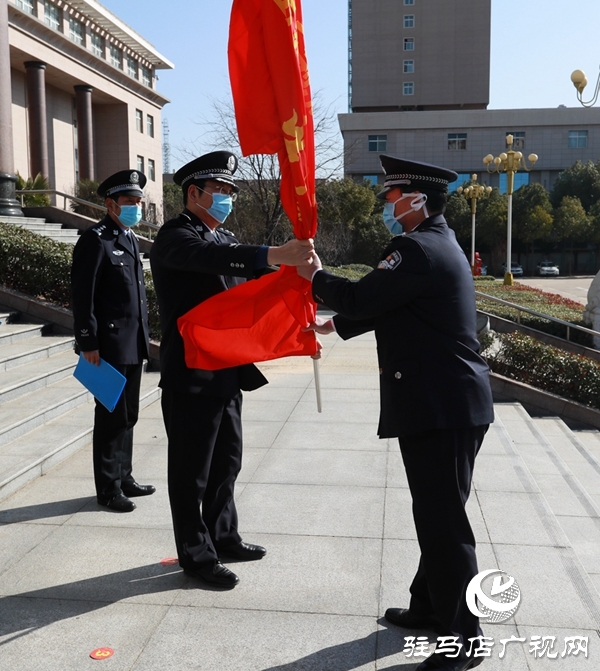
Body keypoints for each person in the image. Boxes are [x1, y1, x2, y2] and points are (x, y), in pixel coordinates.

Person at [299, 155, 494, 671]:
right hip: (448, 401)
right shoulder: (436, 243)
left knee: (444, 523)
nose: (387, 205)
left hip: (441, 405)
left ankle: (466, 639)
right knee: (435, 514)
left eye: (391, 197)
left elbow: (367, 296)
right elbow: (396, 305)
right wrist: (336, 327)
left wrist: (316, 278)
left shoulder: (417, 247)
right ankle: (432, 606)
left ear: (416, 200)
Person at [150, 151, 315, 589]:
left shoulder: (223, 239)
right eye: (219, 191)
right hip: (192, 372)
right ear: (193, 193)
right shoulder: (176, 236)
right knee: (192, 472)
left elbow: (251, 287)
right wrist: (275, 253)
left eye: (229, 192)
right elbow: (213, 261)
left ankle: (223, 537)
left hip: (226, 369)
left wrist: (297, 275)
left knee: (226, 462)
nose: (226, 199)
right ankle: (196, 554)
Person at [71, 170, 155, 513]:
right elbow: (83, 295)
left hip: (133, 341)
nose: (136, 207)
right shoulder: (96, 239)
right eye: (129, 202)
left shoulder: (129, 237)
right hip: (106, 344)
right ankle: (107, 488)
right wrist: (87, 340)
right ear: (110, 204)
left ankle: (124, 475)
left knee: (129, 414)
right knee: (110, 415)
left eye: (138, 201)